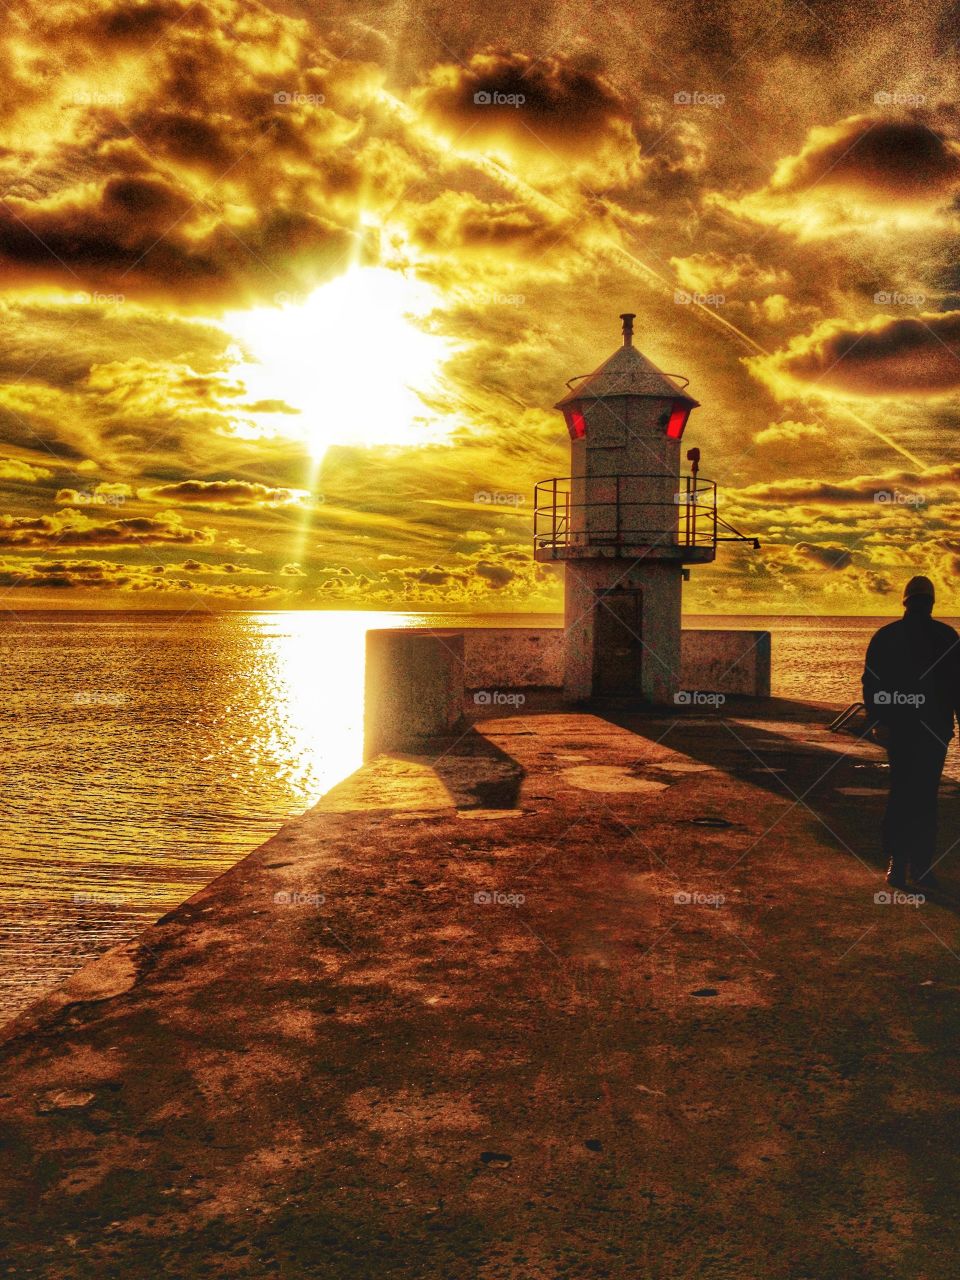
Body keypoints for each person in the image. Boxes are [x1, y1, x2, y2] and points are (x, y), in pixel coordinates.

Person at [862, 576, 960, 891]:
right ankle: (919, 866)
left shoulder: (886, 636)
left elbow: (872, 683)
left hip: (902, 729)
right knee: (925, 796)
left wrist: (879, 719)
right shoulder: (947, 637)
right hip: (934, 730)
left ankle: (898, 863)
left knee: (902, 792)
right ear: (931, 602)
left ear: (905, 601)